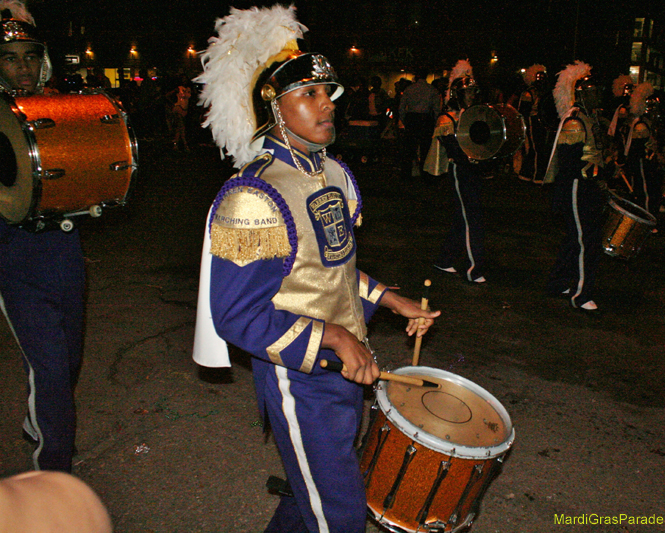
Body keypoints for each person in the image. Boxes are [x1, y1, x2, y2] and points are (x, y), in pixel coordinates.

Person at [191, 6, 440, 532]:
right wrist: (330, 336)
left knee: (315, 497)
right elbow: (236, 316)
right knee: (342, 515)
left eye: (328, 93)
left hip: (346, 366)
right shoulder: (253, 196)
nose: (328, 104)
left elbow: (331, 269)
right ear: (274, 109)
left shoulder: (331, 172)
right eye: (309, 94)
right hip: (297, 381)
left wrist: (390, 300)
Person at [0, 1, 86, 473]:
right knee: (51, 367)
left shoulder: (57, 107)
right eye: (10, 57)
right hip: (13, 255)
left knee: (67, 360)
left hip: (63, 247)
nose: (23, 67)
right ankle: (53, 473)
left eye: (30, 56)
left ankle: (41, 421)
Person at [544, 61, 610, 312]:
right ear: (581, 95)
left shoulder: (590, 119)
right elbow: (570, 165)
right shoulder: (574, 122)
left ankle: (557, 282)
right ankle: (581, 295)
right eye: (592, 91)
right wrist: (597, 173)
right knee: (586, 241)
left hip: (587, 187)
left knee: (576, 238)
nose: (597, 96)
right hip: (576, 187)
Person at [427, 60, 487, 283]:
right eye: (467, 91)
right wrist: (475, 159)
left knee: (464, 218)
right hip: (460, 171)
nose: (471, 95)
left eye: (473, 91)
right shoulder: (447, 118)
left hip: (473, 170)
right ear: (457, 94)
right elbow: (456, 150)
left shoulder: (474, 115)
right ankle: (474, 269)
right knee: (472, 219)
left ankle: (444, 259)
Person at [625, 82, 662, 216]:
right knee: (646, 191)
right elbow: (641, 148)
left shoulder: (645, 122)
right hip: (642, 163)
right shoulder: (641, 125)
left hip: (645, 163)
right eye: (651, 106)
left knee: (648, 190)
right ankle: (645, 217)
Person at [398, 67, 441, 179]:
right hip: (425, 118)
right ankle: (425, 173)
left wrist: (405, 120)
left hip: (412, 118)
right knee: (425, 148)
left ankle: (406, 173)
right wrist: (435, 121)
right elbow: (436, 109)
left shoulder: (409, 89)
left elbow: (401, 107)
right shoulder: (432, 89)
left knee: (409, 148)